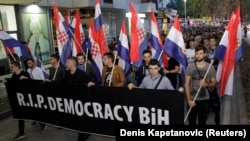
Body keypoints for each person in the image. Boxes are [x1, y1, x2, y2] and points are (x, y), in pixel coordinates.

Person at [61, 56, 95, 141]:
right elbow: (61, 81)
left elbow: (90, 80)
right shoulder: (67, 73)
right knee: (76, 119)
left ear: (72, 64)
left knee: (81, 119)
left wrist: (91, 82)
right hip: (72, 101)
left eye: (67, 62)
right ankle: (86, 131)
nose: (66, 64)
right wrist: (50, 82)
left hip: (81, 101)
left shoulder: (81, 73)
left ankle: (81, 137)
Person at [184, 45, 217, 125]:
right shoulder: (190, 67)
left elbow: (214, 83)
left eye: (200, 53)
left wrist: (207, 84)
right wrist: (188, 100)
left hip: (204, 99)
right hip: (192, 99)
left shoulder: (210, 67)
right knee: (191, 121)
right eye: (197, 53)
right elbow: (187, 84)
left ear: (205, 54)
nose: (198, 55)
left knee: (202, 122)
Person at [2, 61, 31, 140]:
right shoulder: (14, 75)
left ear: (17, 67)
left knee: (32, 112)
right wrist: (6, 82)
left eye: (12, 67)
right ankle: (21, 132)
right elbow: (12, 85)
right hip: (19, 99)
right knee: (20, 115)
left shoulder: (25, 74)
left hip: (27, 99)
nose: (11, 68)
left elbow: (31, 84)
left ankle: (41, 122)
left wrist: (26, 79)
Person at [25, 58, 47, 133]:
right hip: (32, 91)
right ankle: (36, 120)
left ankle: (43, 124)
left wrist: (36, 84)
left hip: (38, 91)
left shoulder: (39, 70)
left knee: (39, 108)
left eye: (30, 63)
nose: (29, 65)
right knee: (34, 107)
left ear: (34, 63)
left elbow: (42, 80)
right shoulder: (28, 70)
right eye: (28, 64)